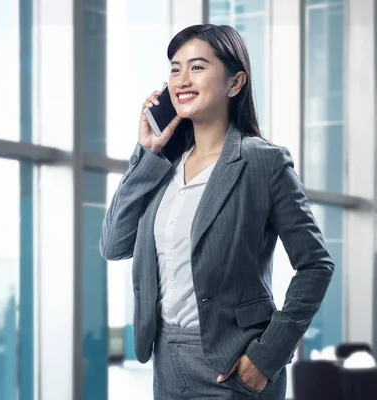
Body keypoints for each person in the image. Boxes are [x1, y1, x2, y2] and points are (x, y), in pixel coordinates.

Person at [99, 24, 334, 399]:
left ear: (235, 83)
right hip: (166, 362)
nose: (182, 79)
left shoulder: (264, 162)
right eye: (175, 69)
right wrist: (146, 153)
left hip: (236, 364)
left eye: (197, 67)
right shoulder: (162, 169)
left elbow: (316, 265)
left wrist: (268, 354)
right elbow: (113, 244)